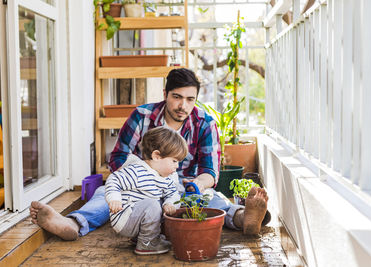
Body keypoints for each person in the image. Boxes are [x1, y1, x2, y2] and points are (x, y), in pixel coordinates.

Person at [29, 68, 269, 241]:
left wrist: (196, 185)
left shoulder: (205, 123)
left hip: (182, 187)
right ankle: (72, 224)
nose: (182, 106)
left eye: (189, 99)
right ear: (165, 93)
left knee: (210, 197)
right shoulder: (142, 116)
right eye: (176, 97)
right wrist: (142, 179)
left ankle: (244, 218)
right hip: (137, 185)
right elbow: (118, 158)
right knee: (106, 193)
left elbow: (209, 172)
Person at [106, 126, 185, 255]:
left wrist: (170, 203)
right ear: (157, 156)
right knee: (153, 205)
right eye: (174, 161)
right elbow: (114, 180)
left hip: (136, 219)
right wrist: (114, 198)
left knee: (159, 204)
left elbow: (173, 193)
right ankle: (147, 245)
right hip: (124, 219)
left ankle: (142, 237)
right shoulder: (137, 171)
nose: (177, 166)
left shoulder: (166, 177)